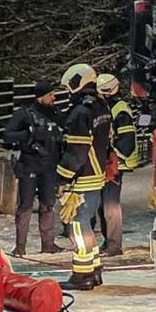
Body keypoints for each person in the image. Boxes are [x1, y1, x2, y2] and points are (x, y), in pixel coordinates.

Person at [54, 63, 110, 290]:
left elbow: (76, 150)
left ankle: (82, 274)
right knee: (86, 223)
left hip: (82, 176)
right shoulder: (100, 106)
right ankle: (94, 269)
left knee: (77, 225)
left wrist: (62, 177)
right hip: (96, 175)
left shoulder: (80, 112)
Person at [0, 79, 61, 256]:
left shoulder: (55, 113)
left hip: (50, 166)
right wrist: (29, 134)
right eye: (50, 94)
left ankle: (48, 244)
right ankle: (20, 246)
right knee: (25, 205)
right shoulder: (24, 114)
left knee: (48, 204)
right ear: (41, 97)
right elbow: (7, 135)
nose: (54, 97)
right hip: (30, 165)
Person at [97, 73, 140, 257]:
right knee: (104, 206)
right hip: (110, 162)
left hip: (115, 164)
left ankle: (114, 245)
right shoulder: (113, 107)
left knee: (110, 206)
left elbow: (126, 140)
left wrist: (114, 155)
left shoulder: (119, 109)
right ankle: (109, 241)